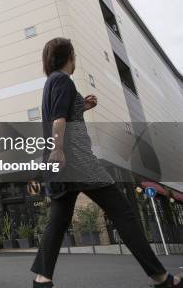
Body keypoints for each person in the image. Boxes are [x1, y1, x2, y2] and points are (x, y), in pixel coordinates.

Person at [31, 38, 181, 288]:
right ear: (69, 56)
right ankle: (160, 277)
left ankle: (41, 280)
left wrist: (84, 106)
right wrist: (58, 150)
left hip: (61, 167)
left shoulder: (51, 83)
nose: (75, 59)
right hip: (77, 162)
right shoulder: (63, 80)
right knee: (123, 213)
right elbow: (59, 119)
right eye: (74, 54)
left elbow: (65, 114)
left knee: (57, 221)